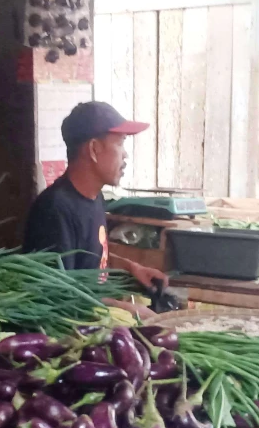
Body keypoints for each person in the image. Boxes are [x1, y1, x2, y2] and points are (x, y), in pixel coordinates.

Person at [23, 101, 169, 304]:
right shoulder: (55, 210)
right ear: (93, 149)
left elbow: (91, 257)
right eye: (119, 143)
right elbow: (59, 295)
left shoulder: (94, 197)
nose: (125, 154)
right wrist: (124, 309)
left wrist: (131, 268)